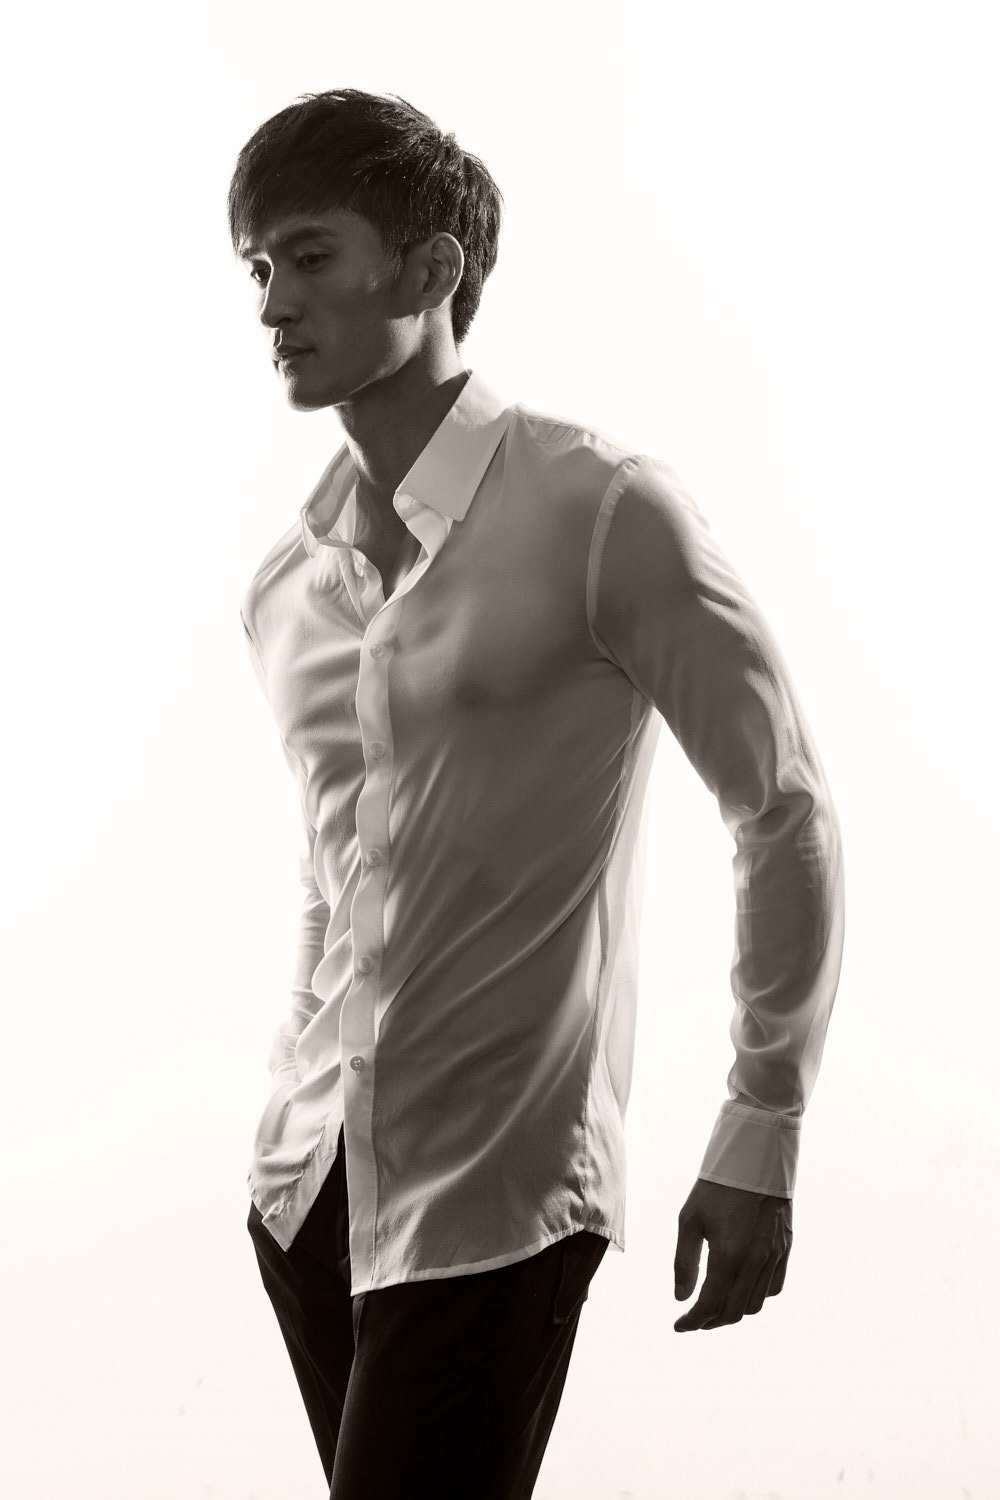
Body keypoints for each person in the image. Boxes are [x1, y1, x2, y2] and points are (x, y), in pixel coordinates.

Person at [230, 88, 845, 1500]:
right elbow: (333, 872)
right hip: (310, 1193)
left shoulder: (602, 511)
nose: (272, 303)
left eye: (310, 256)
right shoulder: (286, 589)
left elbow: (781, 806)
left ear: (431, 269)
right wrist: (283, 1110)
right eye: (257, 267)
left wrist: (762, 1126)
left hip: (498, 1197)